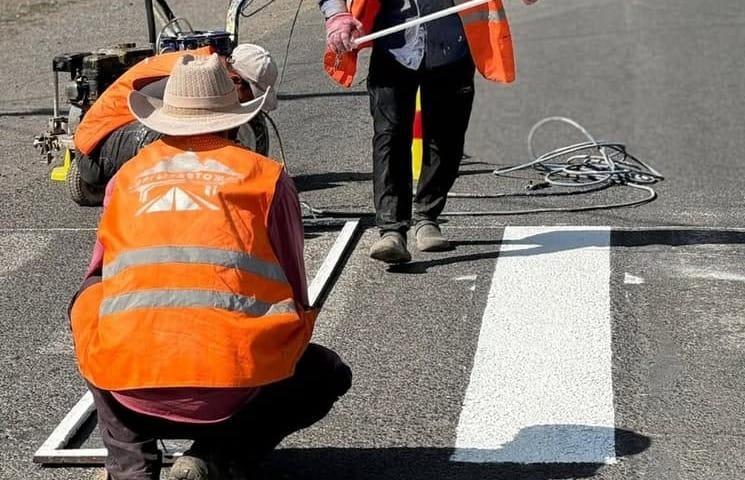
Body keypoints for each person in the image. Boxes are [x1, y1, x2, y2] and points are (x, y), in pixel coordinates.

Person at [69, 53, 352, 480]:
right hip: (233, 390)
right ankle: (219, 455)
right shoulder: (265, 176)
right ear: (236, 117)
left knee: (89, 301)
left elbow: (102, 273)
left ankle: (130, 463)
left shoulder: (126, 178)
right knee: (325, 374)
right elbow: (296, 290)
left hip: (131, 388)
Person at [319, 0, 538, 263]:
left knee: (446, 139)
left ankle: (427, 217)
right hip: (393, 47)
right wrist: (337, 15)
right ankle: (392, 230)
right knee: (389, 137)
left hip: (453, 48)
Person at [70, 43, 279, 205]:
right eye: (251, 95)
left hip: (107, 141)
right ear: (236, 80)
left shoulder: (206, 66)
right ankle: (162, 189)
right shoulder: (194, 76)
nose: (249, 103)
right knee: (182, 126)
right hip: (95, 152)